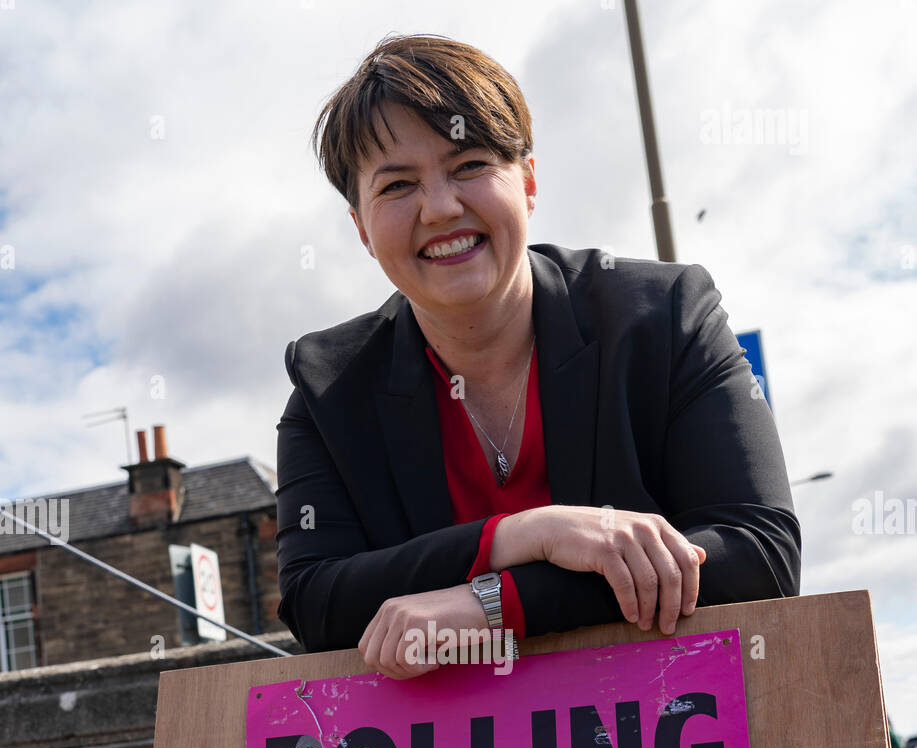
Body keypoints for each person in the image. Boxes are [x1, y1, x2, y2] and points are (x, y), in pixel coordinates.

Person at [275, 34, 801, 679]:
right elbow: (317, 603)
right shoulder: (327, 389)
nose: (440, 208)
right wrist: (523, 535)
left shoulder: (665, 315)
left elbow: (759, 556)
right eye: (397, 185)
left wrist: (495, 601)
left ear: (526, 181)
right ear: (361, 228)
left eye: (469, 165)